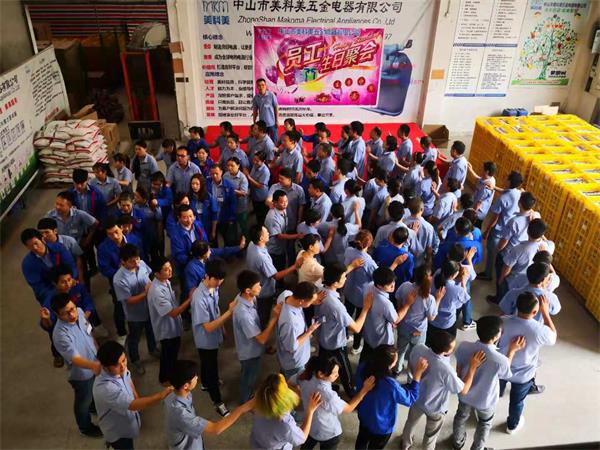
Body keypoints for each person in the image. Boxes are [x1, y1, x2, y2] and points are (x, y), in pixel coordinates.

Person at [400, 332, 486, 450]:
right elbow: (464, 390)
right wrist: (472, 367)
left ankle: (405, 444)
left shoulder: (418, 348)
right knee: (431, 436)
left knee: (410, 423)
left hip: (416, 398)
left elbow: (410, 367)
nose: (454, 349)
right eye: (452, 348)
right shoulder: (446, 370)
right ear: (445, 352)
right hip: (436, 408)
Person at [452, 316, 526, 450]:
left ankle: (457, 442)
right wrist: (511, 351)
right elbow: (506, 374)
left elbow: (459, 367)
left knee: (461, 416)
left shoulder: (463, 346)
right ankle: (477, 448)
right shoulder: (500, 360)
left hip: (464, 393)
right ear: (496, 336)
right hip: (485, 400)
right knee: (484, 423)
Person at [93, 340, 173, 449]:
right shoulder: (106, 388)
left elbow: (128, 378)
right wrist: (161, 396)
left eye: (124, 360)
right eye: (116, 365)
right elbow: (133, 405)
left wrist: (135, 395)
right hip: (118, 431)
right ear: (105, 367)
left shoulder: (119, 369)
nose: (123, 366)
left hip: (126, 420)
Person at [498, 292, 557, 434]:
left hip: (502, 368)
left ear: (517, 306)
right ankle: (512, 425)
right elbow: (553, 337)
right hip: (524, 374)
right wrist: (545, 313)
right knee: (517, 402)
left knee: (495, 390)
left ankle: (487, 408)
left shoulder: (503, 321)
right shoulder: (539, 330)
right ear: (535, 312)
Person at [165, 360, 255, 450]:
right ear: (185, 386)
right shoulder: (181, 414)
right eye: (194, 377)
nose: (197, 378)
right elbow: (216, 428)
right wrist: (242, 408)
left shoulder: (173, 393)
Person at [292, 356, 376, 450]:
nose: (337, 375)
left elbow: (289, 383)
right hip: (328, 432)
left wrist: (300, 395)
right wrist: (364, 390)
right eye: (334, 373)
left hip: (310, 425)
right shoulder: (329, 396)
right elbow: (349, 408)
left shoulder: (304, 374)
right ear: (321, 374)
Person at [50, 294, 102, 437]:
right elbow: (75, 359)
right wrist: (94, 365)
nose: (72, 315)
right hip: (82, 375)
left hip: (94, 362)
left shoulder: (79, 311)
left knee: (92, 392)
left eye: (72, 309)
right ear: (57, 315)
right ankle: (85, 428)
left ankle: (93, 407)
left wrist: (98, 351)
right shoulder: (60, 335)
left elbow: (89, 333)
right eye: (65, 313)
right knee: (83, 402)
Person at [355, 345, 426, 450]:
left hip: (364, 415)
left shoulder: (363, 367)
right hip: (381, 426)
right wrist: (417, 375)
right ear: (389, 364)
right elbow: (410, 399)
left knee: (361, 440)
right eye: (395, 360)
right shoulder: (390, 385)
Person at [317, 263, 372, 397]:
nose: (346, 278)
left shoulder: (320, 289)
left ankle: (328, 384)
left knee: (325, 365)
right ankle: (352, 394)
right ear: (335, 283)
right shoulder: (336, 306)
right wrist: (365, 308)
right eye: (343, 277)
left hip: (323, 338)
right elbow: (356, 328)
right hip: (335, 344)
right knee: (345, 372)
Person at [190, 258, 236, 417]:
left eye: (221, 280)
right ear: (207, 276)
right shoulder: (199, 298)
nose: (219, 283)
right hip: (205, 340)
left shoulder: (214, 288)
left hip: (214, 336)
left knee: (208, 362)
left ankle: (205, 383)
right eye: (216, 280)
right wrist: (229, 313)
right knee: (211, 367)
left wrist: (222, 328)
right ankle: (218, 401)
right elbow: (208, 327)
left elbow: (215, 309)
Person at [233, 270, 282, 403]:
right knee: (248, 378)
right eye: (258, 285)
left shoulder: (246, 297)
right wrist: (274, 318)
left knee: (248, 373)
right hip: (250, 352)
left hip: (251, 347)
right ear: (248, 290)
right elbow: (261, 339)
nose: (261, 287)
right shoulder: (243, 314)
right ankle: (245, 400)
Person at [40, 264, 100, 368]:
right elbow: (49, 326)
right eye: (63, 282)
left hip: (83, 324)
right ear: (55, 283)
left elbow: (88, 303)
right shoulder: (50, 301)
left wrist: (82, 318)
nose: (68, 284)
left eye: (69, 279)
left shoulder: (78, 288)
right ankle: (57, 355)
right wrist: (46, 319)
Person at [247, 225, 303, 331]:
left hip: (256, 282)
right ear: (261, 238)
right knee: (264, 314)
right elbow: (276, 276)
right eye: (266, 232)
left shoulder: (252, 244)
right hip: (264, 291)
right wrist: (295, 266)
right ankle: (262, 332)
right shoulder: (261, 257)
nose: (269, 233)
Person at [113, 244, 158, 375]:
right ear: (123, 261)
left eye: (137, 258)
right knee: (134, 338)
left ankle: (153, 349)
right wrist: (145, 293)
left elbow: (149, 276)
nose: (136, 263)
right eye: (132, 261)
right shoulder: (119, 279)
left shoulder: (142, 264)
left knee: (151, 330)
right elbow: (128, 300)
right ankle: (135, 359)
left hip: (149, 308)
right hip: (135, 315)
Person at [147, 257, 191, 385]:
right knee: (167, 354)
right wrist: (190, 299)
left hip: (173, 326)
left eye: (170, 267)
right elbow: (173, 313)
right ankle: (164, 378)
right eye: (166, 269)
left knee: (173, 350)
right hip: (165, 329)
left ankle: (171, 371)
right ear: (156, 273)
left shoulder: (165, 281)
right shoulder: (156, 291)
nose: (170, 270)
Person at [394, 266, 444, 375]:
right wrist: (438, 300)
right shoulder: (429, 298)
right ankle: (410, 377)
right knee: (415, 355)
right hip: (419, 331)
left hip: (403, 327)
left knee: (400, 349)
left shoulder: (405, 286)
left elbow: (398, 302)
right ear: (429, 279)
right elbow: (431, 317)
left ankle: (397, 369)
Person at [250, 374, 322, 449]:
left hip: (258, 441)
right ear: (282, 396)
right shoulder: (285, 424)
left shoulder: (260, 399)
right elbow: (301, 438)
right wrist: (310, 411)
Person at [361, 268, 417, 363]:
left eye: (393, 281)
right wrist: (407, 304)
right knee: (380, 362)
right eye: (389, 284)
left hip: (369, 333)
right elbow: (396, 319)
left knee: (365, 357)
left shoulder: (369, 285)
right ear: (379, 285)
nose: (393, 285)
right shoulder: (385, 304)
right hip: (381, 341)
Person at [98, 218, 140, 341]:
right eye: (110, 234)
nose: (115, 236)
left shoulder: (134, 239)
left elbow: (142, 257)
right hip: (118, 282)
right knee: (120, 307)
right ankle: (121, 333)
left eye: (116, 232)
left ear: (121, 228)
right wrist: (121, 272)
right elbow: (105, 269)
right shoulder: (103, 248)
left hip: (137, 278)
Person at [479, 171, 523, 281]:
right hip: (509, 230)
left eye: (506, 178)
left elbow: (495, 218)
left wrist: (487, 231)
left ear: (509, 181)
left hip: (499, 230)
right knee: (503, 252)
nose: (504, 179)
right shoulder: (519, 193)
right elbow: (506, 191)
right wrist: (494, 188)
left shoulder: (502, 199)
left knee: (491, 252)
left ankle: (488, 273)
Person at [496, 218, 554, 300]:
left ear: (527, 231)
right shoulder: (547, 247)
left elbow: (507, 268)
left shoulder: (518, 249)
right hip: (533, 282)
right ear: (542, 234)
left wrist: (501, 279)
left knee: (506, 297)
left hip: (514, 281)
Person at [21, 228, 78, 305]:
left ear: (42, 239)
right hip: (52, 294)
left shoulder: (59, 248)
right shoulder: (28, 264)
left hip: (70, 283)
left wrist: (71, 280)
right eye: (30, 246)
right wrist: (58, 290)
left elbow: (71, 266)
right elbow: (39, 287)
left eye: (36, 243)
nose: (35, 248)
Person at [343, 230, 378, 355]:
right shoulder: (369, 261)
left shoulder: (348, 251)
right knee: (360, 320)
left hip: (348, 290)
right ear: (369, 244)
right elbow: (377, 277)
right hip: (361, 296)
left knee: (347, 315)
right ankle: (356, 346)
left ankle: (345, 336)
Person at [277, 282, 320, 379]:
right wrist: (309, 331)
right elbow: (292, 347)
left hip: (286, 358)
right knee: (294, 383)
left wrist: (312, 300)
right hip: (294, 363)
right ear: (301, 301)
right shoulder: (290, 322)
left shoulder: (286, 295)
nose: (312, 303)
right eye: (311, 302)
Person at [427, 261, 470, 341]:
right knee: (446, 343)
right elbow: (462, 301)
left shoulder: (437, 273)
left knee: (431, 342)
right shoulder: (457, 290)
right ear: (455, 274)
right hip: (446, 323)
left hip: (431, 321)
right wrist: (463, 282)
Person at [265, 190, 303, 270]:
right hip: (275, 249)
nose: (285, 204)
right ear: (275, 203)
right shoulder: (272, 218)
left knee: (282, 263)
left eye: (286, 201)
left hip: (282, 246)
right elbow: (279, 236)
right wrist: (297, 236)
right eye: (282, 202)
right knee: (278, 268)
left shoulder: (282, 208)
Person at [266, 167, 306, 238]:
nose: (279, 180)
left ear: (289, 179)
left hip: (292, 221)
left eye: (282, 179)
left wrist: (299, 221)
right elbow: (268, 200)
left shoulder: (299, 190)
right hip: (278, 222)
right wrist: (271, 204)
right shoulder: (275, 187)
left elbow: (301, 206)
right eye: (279, 178)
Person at [207, 164, 238, 247]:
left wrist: (231, 218)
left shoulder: (229, 186)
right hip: (211, 217)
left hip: (224, 217)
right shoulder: (207, 183)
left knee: (227, 239)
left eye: (216, 173)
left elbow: (233, 203)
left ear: (221, 172)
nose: (214, 176)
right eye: (212, 174)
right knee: (212, 239)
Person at [403, 197, 439, 266]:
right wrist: (429, 261)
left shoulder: (404, 223)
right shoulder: (429, 227)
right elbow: (429, 248)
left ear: (409, 208)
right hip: (419, 262)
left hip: (405, 261)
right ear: (422, 209)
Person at [224, 156, 250, 240]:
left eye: (232, 165)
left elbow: (243, 193)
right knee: (232, 226)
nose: (229, 168)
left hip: (240, 207)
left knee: (243, 225)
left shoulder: (243, 178)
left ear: (238, 165)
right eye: (228, 165)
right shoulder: (225, 175)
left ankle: (247, 240)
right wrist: (236, 191)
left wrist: (230, 190)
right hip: (229, 206)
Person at [467, 161, 497, 226]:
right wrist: (471, 170)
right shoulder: (490, 178)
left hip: (477, 214)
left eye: (482, 168)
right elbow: (479, 178)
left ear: (487, 172)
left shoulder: (486, 188)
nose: (481, 169)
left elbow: (478, 204)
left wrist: (471, 215)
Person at [244, 150, 270, 226]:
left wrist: (248, 177)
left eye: (257, 161)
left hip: (261, 196)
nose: (255, 162)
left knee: (262, 215)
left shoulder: (265, 171)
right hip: (254, 194)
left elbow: (260, 186)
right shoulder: (255, 166)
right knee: (256, 210)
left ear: (263, 161)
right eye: (254, 160)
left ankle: (261, 227)